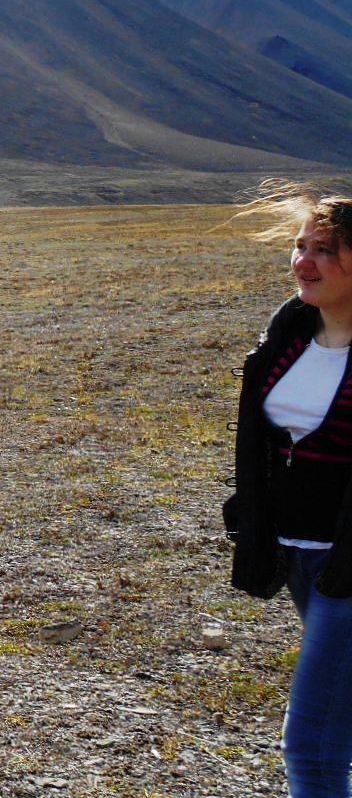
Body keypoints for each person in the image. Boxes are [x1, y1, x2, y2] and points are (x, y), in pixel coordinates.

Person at [229, 180, 352, 797]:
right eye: (301, 246)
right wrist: (250, 515)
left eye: (325, 249)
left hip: (351, 569)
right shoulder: (292, 333)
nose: (304, 262)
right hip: (301, 554)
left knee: (315, 749)